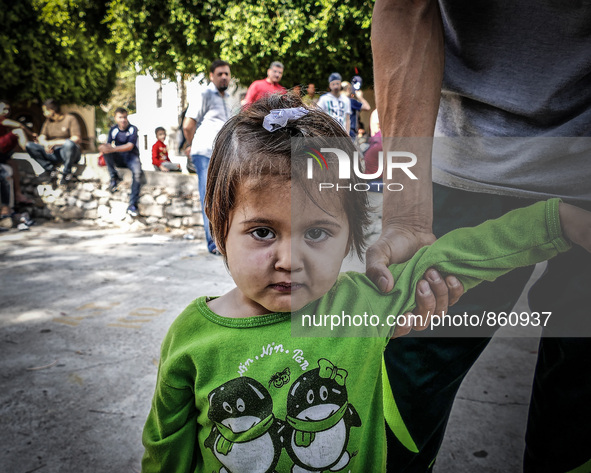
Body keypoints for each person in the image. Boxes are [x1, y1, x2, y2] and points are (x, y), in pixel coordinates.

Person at [140, 94, 591, 473]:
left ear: (351, 239)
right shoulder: (190, 338)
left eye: (316, 233)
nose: (290, 260)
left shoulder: (362, 305)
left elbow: (460, 254)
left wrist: (558, 222)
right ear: (220, 228)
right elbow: (166, 454)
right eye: (262, 232)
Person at [370, 1, 591, 472]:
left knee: (579, 418)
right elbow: (405, 7)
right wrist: (407, 213)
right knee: (399, 395)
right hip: (466, 166)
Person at [182, 59, 232, 255]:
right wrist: (190, 144)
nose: (224, 77)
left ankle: (223, 241)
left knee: (224, 197)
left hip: (223, 155)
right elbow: (188, 124)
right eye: (220, 74)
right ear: (212, 76)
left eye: (226, 73)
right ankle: (213, 244)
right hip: (204, 153)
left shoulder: (227, 97)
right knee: (209, 198)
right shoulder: (204, 94)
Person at [25, 99, 81, 186]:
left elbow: (76, 138)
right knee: (29, 145)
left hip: (68, 152)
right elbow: (41, 137)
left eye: (45, 111)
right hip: (53, 152)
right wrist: (46, 144)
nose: (44, 114)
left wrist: (55, 142)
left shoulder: (70, 119)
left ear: (52, 110)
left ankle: (66, 172)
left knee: (69, 144)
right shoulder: (48, 122)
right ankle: (50, 170)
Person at [98, 107, 142, 217]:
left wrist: (112, 149)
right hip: (118, 157)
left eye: (125, 117)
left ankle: (132, 204)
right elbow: (108, 145)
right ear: (116, 118)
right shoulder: (113, 130)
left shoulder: (133, 129)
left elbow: (129, 146)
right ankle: (113, 177)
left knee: (137, 174)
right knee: (106, 151)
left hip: (131, 157)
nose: (123, 120)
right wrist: (103, 147)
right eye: (120, 117)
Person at [0, 99, 34, 205]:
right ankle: (30, 150)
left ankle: (18, 194)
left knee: (13, 164)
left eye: (8, 109)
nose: (7, 112)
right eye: (4, 109)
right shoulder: (2, 120)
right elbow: (20, 125)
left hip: (2, 153)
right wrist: (31, 134)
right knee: (18, 132)